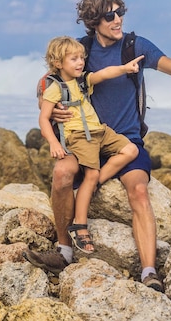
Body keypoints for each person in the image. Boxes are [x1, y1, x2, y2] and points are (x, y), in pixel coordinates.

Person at [24, 0, 171, 292]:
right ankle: (64, 252)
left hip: (125, 140)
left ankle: (149, 272)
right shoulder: (79, 51)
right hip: (84, 141)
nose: (118, 19)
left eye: (120, 12)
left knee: (138, 191)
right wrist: (51, 107)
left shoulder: (136, 46)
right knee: (61, 173)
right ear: (94, 20)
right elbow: (47, 85)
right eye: (110, 15)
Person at [39, 35, 144, 254]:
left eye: (81, 58)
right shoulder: (55, 88)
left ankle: (91, 186)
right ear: (58, 63)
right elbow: (43, 118)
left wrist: (125, 68)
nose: (80, 63)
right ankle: (80, 224)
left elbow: (103, 74)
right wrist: (53, 143)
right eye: (74, 59)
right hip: (79, 136)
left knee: (130, 150)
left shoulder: (82, 80)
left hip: (99, 130)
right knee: (91, 174)